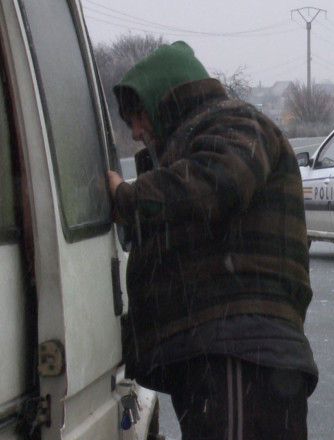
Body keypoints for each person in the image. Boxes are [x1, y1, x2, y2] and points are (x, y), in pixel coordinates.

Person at [106, 41, 317, 440]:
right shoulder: (205, 133)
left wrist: (128, 199)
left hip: (238, 353)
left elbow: (219, 181)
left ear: (167, 98)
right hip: (227, 354)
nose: (135, 132)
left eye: (138, 116)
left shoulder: (234, 123)